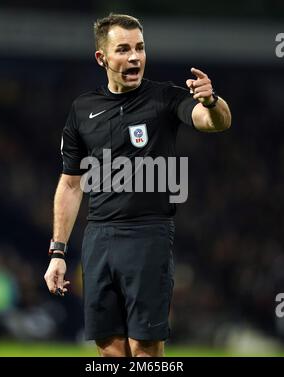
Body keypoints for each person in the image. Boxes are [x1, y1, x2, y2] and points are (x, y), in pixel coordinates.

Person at [44, 13, 231, 357]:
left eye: (140, 48)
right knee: (110, 350)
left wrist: (211, 101)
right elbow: (71, 184)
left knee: (144, 349)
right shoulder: (82, 109)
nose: (135, 57)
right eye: (124, 49)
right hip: (98, 238)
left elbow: (214, 122)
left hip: (148, 235)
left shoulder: (165, 98)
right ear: (102, 58)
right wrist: (58, 252)